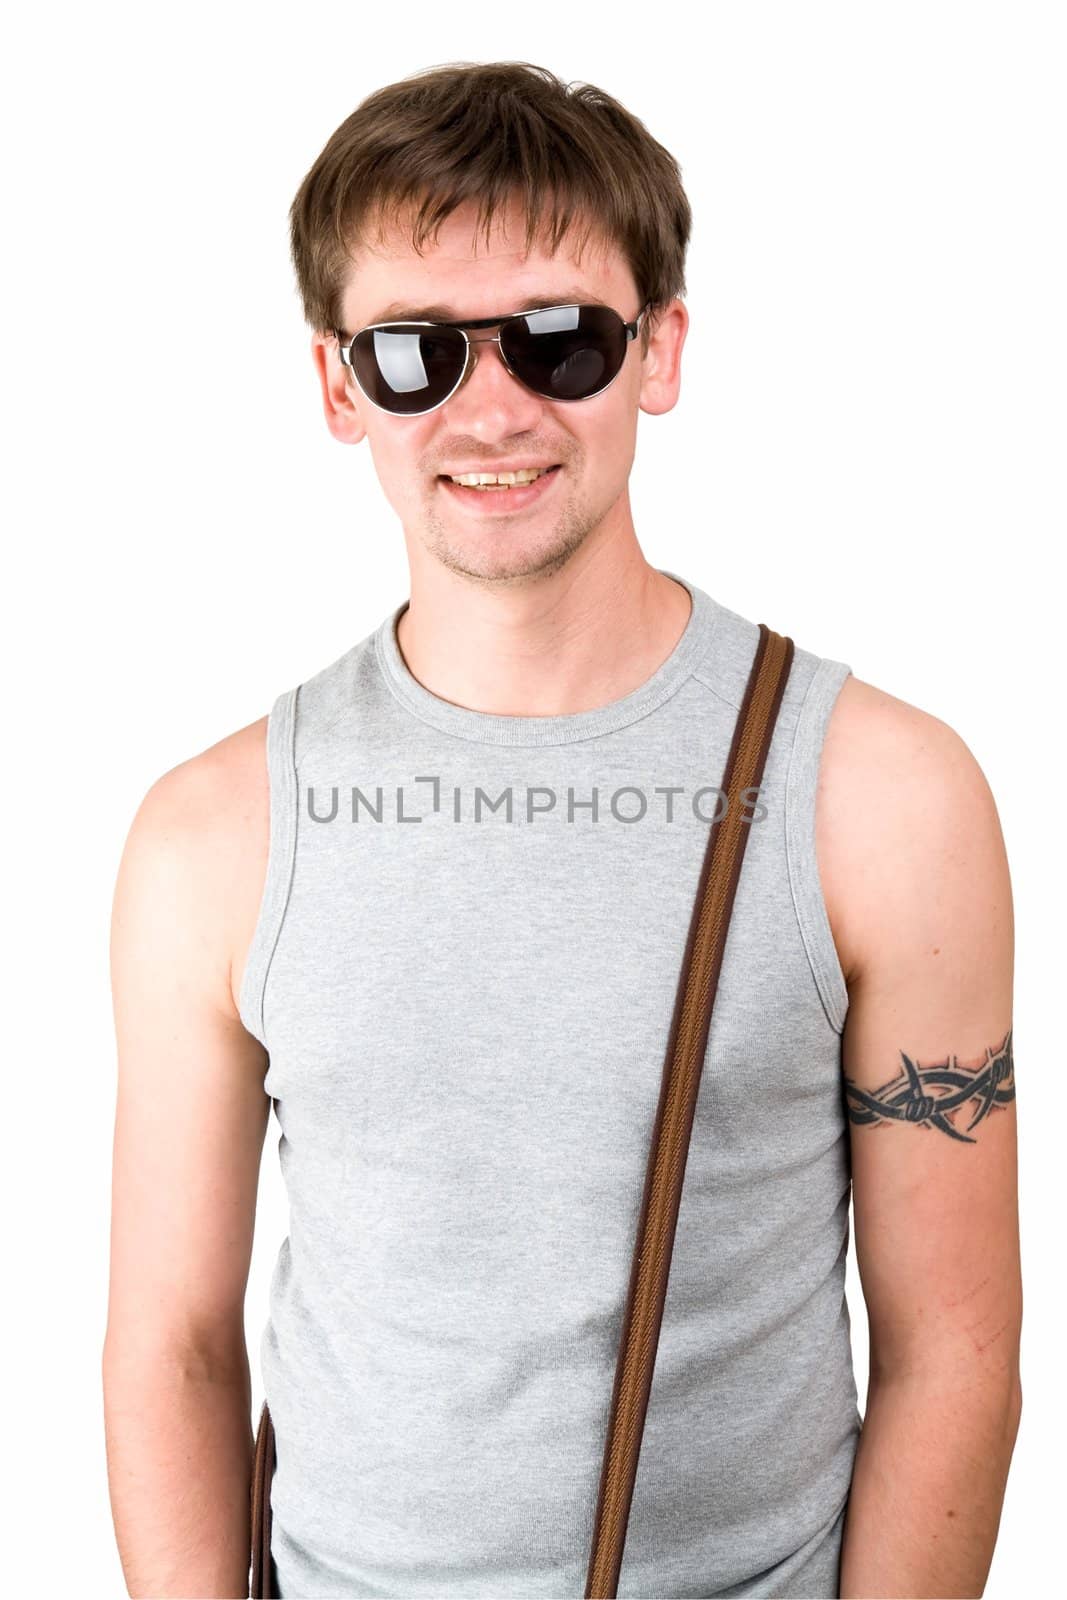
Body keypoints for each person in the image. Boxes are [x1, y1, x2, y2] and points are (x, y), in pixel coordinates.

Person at [102, 60, 1022, 1600]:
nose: (493, 409)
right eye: (414, 355)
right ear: (338, 387)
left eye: (559, 339)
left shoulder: (881, 796)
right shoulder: (214, 837)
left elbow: (959, 1350)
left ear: (659, 351)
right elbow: (173, 1346)